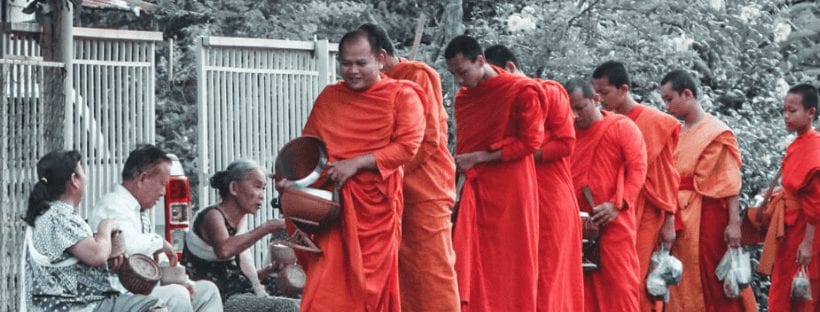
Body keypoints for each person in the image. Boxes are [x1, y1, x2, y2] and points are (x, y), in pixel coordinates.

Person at [277, 29, 424, 312]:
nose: (352, 70)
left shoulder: (402, 96)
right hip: (329, 211)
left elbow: (408, 146)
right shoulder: (330, 97)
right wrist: (292, 179)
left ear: (380, 59)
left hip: (374, 212)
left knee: (369, 293)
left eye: (361, 63)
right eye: (346, 63)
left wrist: (357, 163)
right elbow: (311, 150)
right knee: (323, 289)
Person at [356, 23, 460, 312]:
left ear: (382, 55)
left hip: (424, 187)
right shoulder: (371, 86)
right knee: (396, 274)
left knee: (431, 272)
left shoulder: (417, 75)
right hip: (387, 193)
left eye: (362, 62)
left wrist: (385, 172)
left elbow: (427, 139)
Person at [445, 35, 543, 312]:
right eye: (454, 74)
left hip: (511, 187)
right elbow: (465, 143)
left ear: (480, 60)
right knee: (472, 257)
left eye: (463, 72)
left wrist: (480, 157)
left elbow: (531, 142)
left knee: (511, 259)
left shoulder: (521, 90)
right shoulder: (465, 98)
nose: (460, 80)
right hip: (474, 187)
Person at [484, 44, 583, 312]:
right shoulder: (497, 102)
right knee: (519, 273)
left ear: (511, 69)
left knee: (548, 274)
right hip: (516, 200)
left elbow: (565, 142)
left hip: (548, 199)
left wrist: (520, 152)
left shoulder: (549, 91)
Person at [659, 69, 755, 312]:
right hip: (678, 214)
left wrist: (734, 223)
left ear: (687, 94)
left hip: (709, 214)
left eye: (670, 99)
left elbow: (730, 182)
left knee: (713, 277)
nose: (667, 106)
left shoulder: (717, 132)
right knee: (681, 278)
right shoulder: (675, 132)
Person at [88, 145, 222, 312]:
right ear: (143, 178)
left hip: (141, 291)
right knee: (177, 295)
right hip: (118, 295)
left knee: (206, 291)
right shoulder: (112, 206)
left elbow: (152, 258)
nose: (164, 192)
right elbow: (129, 247)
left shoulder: (136, 210)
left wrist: (183, 280)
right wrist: (160, 243)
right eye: (162, 184)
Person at [24, 150, 160, 312]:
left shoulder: (49, 214)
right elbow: (97, 254)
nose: (86, 179)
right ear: (74, 180)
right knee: (154, 307)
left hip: (74, 303)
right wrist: (107, 225)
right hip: (77, 306)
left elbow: (75, 261)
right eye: (82, 173)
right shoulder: (58, 216)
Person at [592, 60, 679, 311]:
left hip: (646, 211)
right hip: (611, 210)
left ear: (624, 89)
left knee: (636, 276)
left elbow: (667, 177)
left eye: (605, 93)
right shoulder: (603, 122)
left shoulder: (656, 122)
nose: (600, 99)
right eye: (596, 93)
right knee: (607, 277)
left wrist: (670, 220)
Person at [565, 78, 646, 312]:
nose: (575, 115)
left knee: (620, 288)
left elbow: (638, 169)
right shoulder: (566, 133)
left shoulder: (621, 127)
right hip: (575, 225)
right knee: (579, 292)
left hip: (613, 221)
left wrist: (616, 205)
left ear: (596, 99)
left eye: (580, 108)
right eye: (569, 109)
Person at [182, 160, 299, 312]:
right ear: (234, 188)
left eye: (263, 188)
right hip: (217, 299)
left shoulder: (239, 223)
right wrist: (268, 227)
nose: (262, 196)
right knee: (289, 306)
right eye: (257, 187)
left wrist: (270, 269)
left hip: (239, 295)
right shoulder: (212, 216)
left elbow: (242, 277)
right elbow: (224, 250)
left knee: (305, 302)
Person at [758, 83, 820, 311]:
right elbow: (796, 187)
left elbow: (816, 203)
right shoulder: (798, 143)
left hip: (805, 231)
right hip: (789, 229)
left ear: (811, 112)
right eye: (783, 110)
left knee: (799, 292)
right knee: (785, 287)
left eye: (792, 111)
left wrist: (807, 244)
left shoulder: (814, 148)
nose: (786, 116)